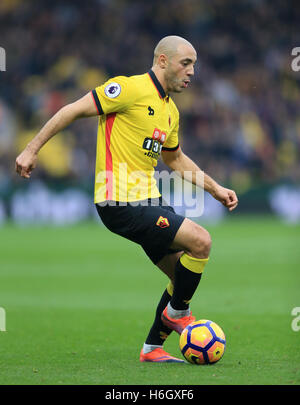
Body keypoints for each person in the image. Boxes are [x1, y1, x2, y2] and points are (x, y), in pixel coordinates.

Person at [15, 35, 238, 363]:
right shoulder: (129, 89)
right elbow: (72, 110)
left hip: (149, 200)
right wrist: (32, 149)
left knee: (181, 276)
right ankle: (177, 315)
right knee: (201, 242)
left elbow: (174, 159)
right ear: (162, 61)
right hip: (118, 201)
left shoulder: (170, 111)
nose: (192, 71)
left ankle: (152, 349)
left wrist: (215, 188)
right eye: (185, 63)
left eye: (194, 64)